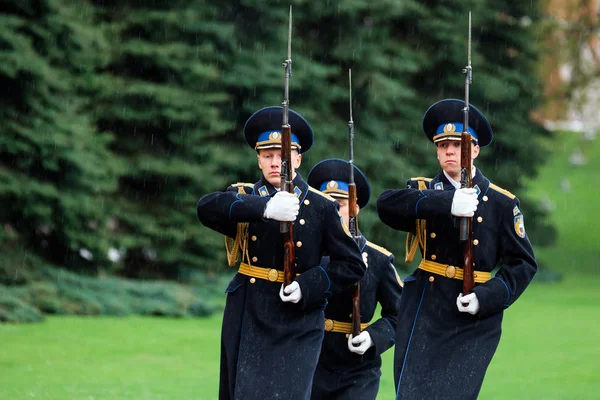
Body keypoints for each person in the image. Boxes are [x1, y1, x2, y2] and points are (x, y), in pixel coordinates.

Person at [196, 106, 366, 400]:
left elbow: (351, 264)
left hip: (298, 320)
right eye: (268, 155)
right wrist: (264, 208)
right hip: (248, 313)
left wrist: (308, 285)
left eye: (283, 155)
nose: (276, 163)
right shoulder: (244, 197)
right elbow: (206, 208)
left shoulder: (321, 206)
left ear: (298, 158)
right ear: (259, 159)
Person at [376, 99, 538, 400]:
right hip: (426, 307)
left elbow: (523, 264)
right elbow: (387, 206)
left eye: (457, 145)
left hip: (473, 316)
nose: (450, 151)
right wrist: (446, 202)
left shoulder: (501, 203)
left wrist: (485, 297)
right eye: (443, 145)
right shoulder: (423, 190)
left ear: (474, 150)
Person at [306, 158, 403, 399]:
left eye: (339, 204)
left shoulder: (378, 259)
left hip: (357, 370)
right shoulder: (306, 255)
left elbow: (400, 314)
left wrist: (373, 336)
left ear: (355, 208)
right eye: (327, 205)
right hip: (310, 361)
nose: (334, 212)